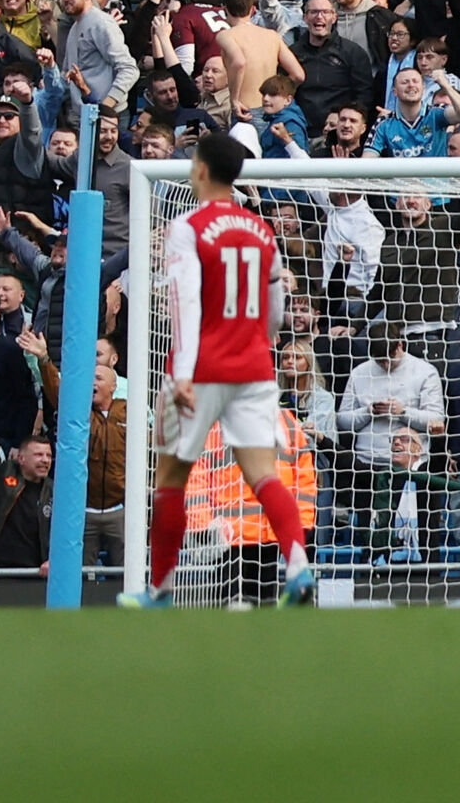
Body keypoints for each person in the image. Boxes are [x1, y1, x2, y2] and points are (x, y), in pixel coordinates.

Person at [127, 128, 313, 605]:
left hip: (202, 367)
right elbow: (276, 307)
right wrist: (261, 343)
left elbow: (185, 305)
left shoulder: (187, 227)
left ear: (202, 170)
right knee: (265, 476)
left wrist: (183, 374)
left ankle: (159, 588)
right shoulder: (261, 228)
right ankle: (297, 566)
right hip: (254, 367)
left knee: (169, 479)